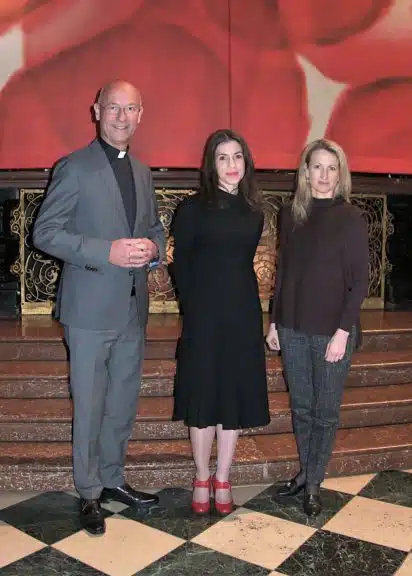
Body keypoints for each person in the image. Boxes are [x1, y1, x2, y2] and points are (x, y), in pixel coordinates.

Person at [32, 80, 165, 535]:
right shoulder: (74, 167)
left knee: (122, 404)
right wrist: (103, 250)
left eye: (131, 108)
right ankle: (88, 493)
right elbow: (45, 233)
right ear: (96, 110)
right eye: (113, 108)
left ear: (141, 114)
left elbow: (154, 229)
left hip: (132, 309)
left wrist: (154, 248)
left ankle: (113, 479)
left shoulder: (144, 172)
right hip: (88, 310)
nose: (121, 117)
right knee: (89, 405)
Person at [266, 138, 369, 517]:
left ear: (339, 174)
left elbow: (360, 282)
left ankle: (313, 483)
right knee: (301, 407)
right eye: (317, 167)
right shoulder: (291, 214)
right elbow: (284, 274)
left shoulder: (351, 217)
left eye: (331, 168)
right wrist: (275, 320)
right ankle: (304, 472)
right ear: (305, 172)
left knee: (325, 412)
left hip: (333, 332)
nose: (324, 175)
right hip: (292, 325)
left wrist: (343, 332)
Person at [172, 128, 270, 515]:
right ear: (211, 165)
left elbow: (241, 266)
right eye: (223, 158)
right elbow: (181, 267)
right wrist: (192, 310)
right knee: (203, 394)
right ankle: (200, 476)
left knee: (232, 394)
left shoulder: (255, 212)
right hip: (203, 313)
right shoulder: (192, 210)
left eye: (238, 157)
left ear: (246, 163)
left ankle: (224, 476)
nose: (232, 165)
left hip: (242, 313)